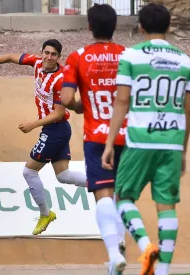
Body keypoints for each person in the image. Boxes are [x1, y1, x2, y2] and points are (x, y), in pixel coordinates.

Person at [101, 4, 190, 275]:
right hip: (172, 142)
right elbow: (188, 110)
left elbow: (122, 101)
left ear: (140, 26)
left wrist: (109, 144)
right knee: (167, 206)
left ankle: (145, 245)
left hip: (140, 139)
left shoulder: (131, 56)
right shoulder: (185, 61)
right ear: (169, 27)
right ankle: (163, 271)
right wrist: (184, 150)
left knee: (124, 198)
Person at [0, 39, 87, 235]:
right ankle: (105, 182)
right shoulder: (36, 63)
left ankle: (45, 213)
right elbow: (8, 57)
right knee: (63, 176)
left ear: (59, 57)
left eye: (54, 54)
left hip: (55, 130)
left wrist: (33, 124)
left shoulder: (60, 79)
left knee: (29, 172)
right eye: (47, 53)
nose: (49, 57)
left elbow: (59, 113)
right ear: (41, 53)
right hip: (56, 129)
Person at [60, 4, 127, 275]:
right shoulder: (128, 55)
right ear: (115, 26)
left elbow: (65, 99)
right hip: (127, 135)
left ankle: (113, 254)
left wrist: (80, 106)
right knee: (123, 199)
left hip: (96, 137)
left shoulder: (78, 57)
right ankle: (118, 256)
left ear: (89, 27)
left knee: (103, 197)